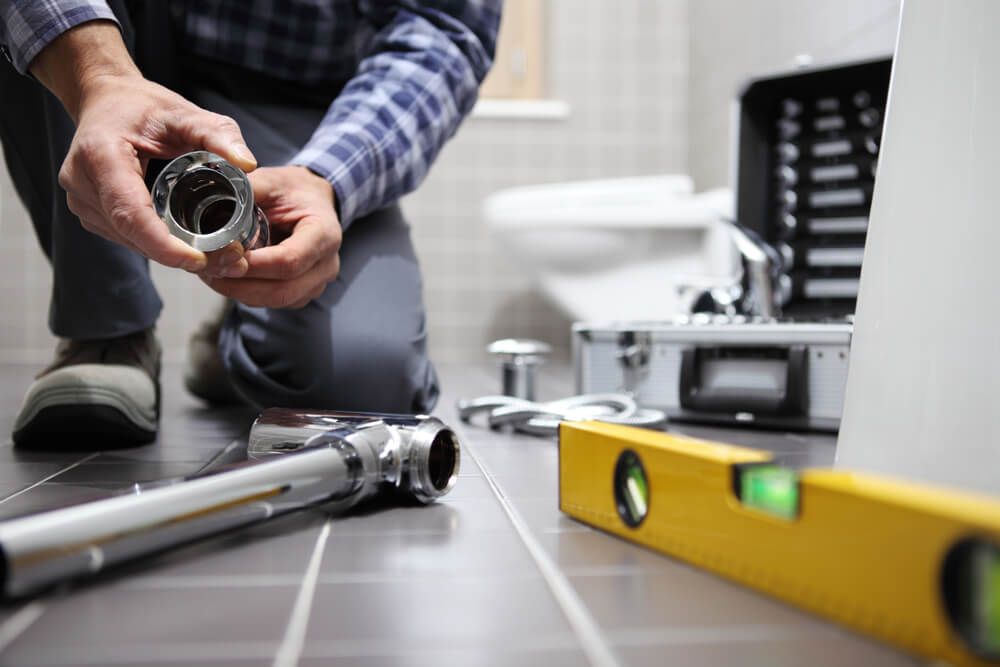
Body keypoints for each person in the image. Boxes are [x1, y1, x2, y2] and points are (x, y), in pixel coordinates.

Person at [0, 1, 499, 446]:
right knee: (30, 24)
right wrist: (97, 78)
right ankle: (106, 334)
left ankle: (241, 335)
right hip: (109, 49)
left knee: (367, 376)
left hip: (288, 92)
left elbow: (444, 27)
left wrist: (326, 177)